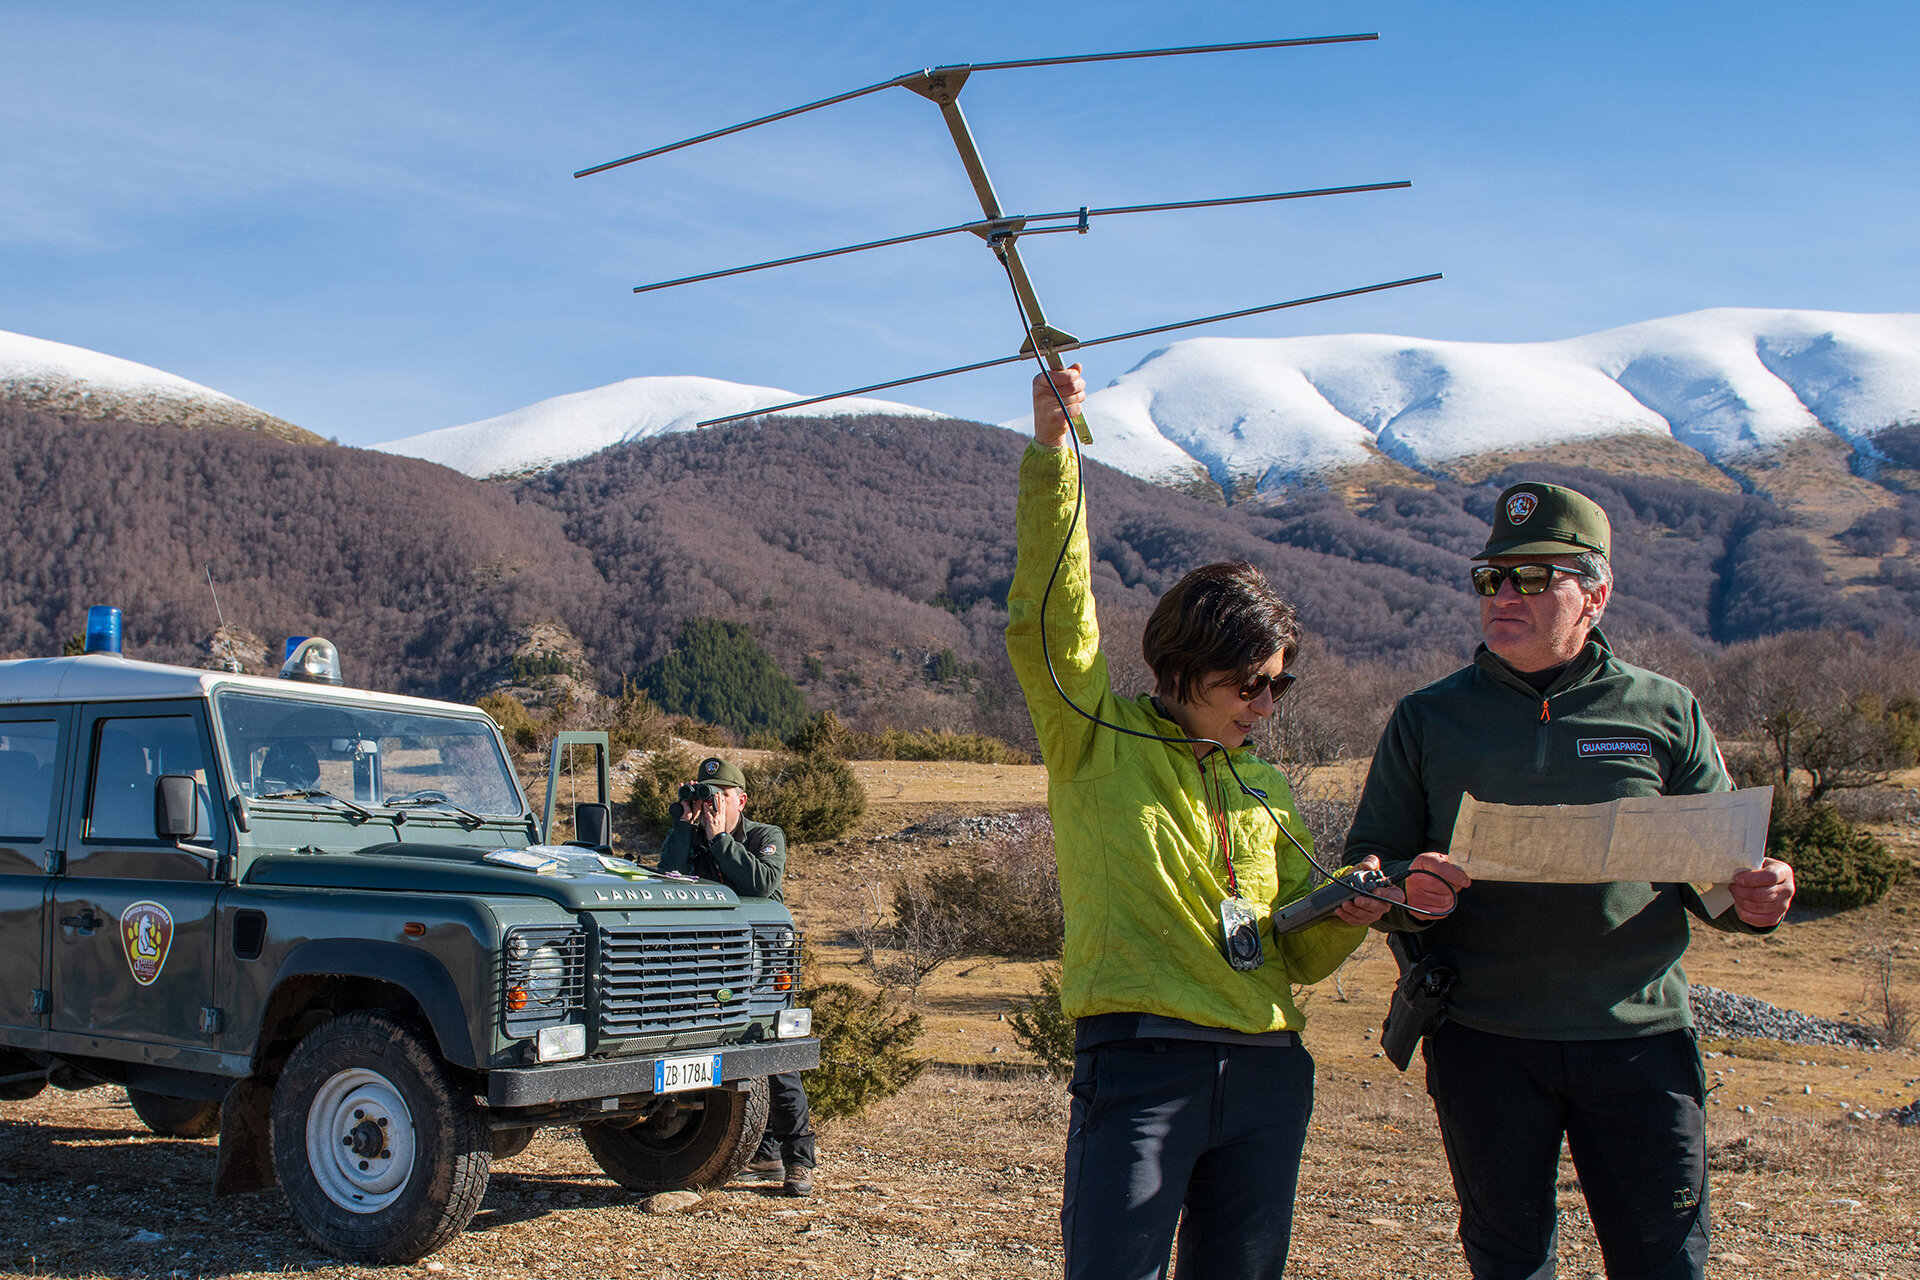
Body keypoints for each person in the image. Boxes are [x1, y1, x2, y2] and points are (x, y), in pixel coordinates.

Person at [1344, 480, 1796, 1280]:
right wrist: (1406, 888)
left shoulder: (1666, 710)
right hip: (1485, 1039)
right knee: (1508, 1261)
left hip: (1639, 1042)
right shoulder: (1429, 716)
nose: (1502, 595)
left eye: (1531, 577)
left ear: (1596, 593)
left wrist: (1758, 896)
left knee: (1664, 1262)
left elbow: (1720, 878)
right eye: (1490, 578)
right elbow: (1370, 860)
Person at [1009, 365, 1396, 1280]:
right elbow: (1052, 623)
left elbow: (1289, 949)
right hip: (1142, 1064)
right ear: (1182, 666)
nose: (1264, 704)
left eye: (1279, 683)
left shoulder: (1265, 787)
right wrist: (1053, 452)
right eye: (1245, 683)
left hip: (1269, 1068)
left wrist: (1346, 914)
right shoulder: (1094, 738)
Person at [655, 755, 817, 1197]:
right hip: (709, 965)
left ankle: (798, 1159)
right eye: (706, 797)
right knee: (719, 1052)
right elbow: (667, 881)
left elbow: (761, 884)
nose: (711, 806)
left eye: (720, 797)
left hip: (761, 963)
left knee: (774, 1055)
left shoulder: (765, 836)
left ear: (740, 800)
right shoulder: (693, 836)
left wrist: (721, 839)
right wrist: (684, 830)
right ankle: (759, 1152)